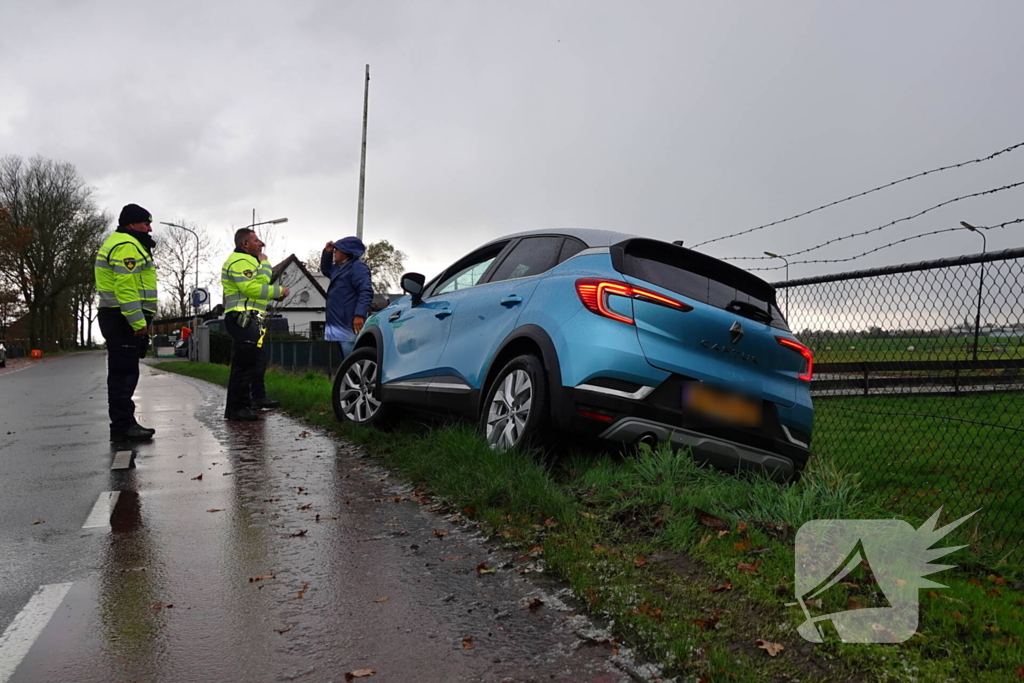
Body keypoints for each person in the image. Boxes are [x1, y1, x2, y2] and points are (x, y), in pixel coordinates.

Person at [94, 203, 159, 442]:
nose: (150, 229)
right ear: (131, 225)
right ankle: (123, 427)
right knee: (123, 374)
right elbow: (125, 287)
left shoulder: (127, 243)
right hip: (122, 318)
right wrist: (137, 321)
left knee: (125, 372)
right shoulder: (126, 246)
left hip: (120, 317)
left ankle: (125, 423)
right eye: (146, 223)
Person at [221, 228, 290, 421]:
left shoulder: (251, 261)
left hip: (252, 317)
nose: (261, 244)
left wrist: (264, 263)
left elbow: (261, 282)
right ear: (245, 244)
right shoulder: (239, 261)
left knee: (253, 362)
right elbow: (251, 289)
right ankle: (237, 408)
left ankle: (246, 404)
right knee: (243, 365)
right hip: (241, 317)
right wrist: (278, 291)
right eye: (256, 241)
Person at [320, 237, 373, 358]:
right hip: (338, 321)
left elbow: (365, 291)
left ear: (346, 252)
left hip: (348, 322)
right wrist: (327, 252)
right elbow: (326, 270)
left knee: (351, 358)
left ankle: (356, 376)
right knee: (343, 359)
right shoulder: (340, 267)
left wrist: (359, 315)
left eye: (337, 250)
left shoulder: (358, 268)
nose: (335, 252)